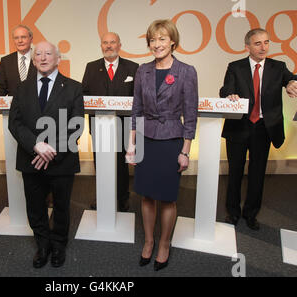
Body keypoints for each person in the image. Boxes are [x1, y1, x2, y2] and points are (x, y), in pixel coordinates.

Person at [220, 28, 297, 230]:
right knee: (234, 172)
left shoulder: (278, 67)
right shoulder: (235, 66)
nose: (263, 47)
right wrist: (230, 95)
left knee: (257, 173)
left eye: (266, 42)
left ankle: (251, 214)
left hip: (264, 128)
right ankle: (233, 213)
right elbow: (226, 89)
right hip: (239, 126)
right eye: (258, 43)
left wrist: (295, 83)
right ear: (247, 47)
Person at [126, 19, 198, 271]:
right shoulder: (142, 70)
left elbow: (190, 114)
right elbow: (136, 109)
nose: (157, 44)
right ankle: (148, 241)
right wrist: (131, 144)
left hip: (171, 140)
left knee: (167, 198)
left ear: (173, 42)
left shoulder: (186, 71)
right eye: (153, 40)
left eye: (162, 39)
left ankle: (164, 244)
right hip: (146, 138)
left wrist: (185, 151)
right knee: (146, 195)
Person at [8, 41, 84, 268]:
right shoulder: (22, 88)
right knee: (35, 206)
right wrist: (36, 146)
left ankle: (59, 245)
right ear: (33, 61)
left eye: (48, 53)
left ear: (58, 59)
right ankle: (42, 245)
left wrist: (51, 151)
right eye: (38, 54)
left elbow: (76, 125)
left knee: (61, 206)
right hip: (31, 158)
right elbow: (15, 123)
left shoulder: (73, 87)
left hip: (62, 160)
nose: (42, 57)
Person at [82, 32, 139, 212]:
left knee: (122, 166)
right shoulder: (91, 67)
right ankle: (103, 196)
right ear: (101, 46)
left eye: (112, 42)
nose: (108, 46)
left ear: (119, 45)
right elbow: (84, 96)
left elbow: (138, 98)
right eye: (105, 43)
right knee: (101, 163)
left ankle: (122, 198)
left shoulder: (133, 67)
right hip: (99, 126)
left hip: (124, 126)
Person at [0, 25, 36, 96]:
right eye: (16, 38)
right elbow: (1, 88)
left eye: (23, 37)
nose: (20, 41)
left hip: (37, 106)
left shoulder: (41, 59)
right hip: (14, 106)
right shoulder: (6, 61)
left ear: (31, 39)